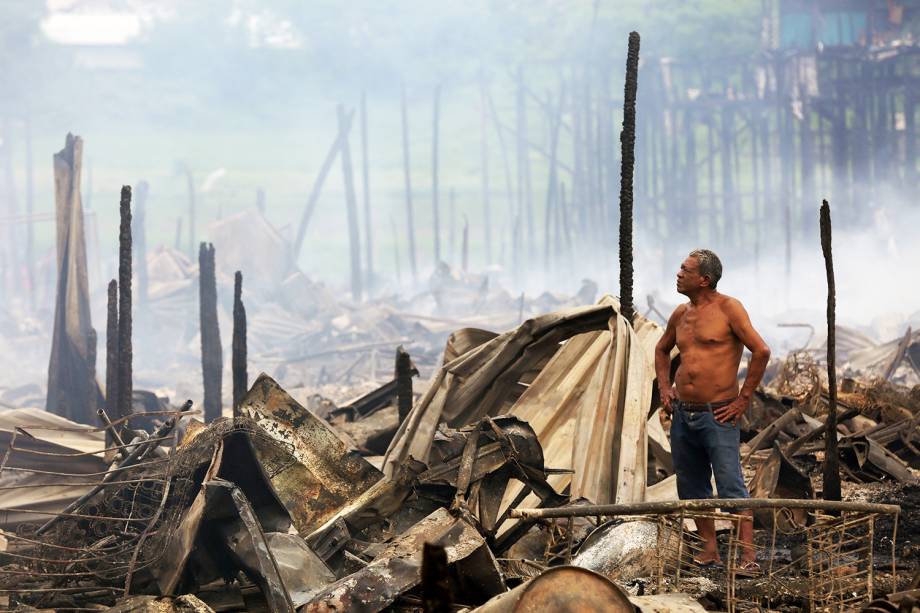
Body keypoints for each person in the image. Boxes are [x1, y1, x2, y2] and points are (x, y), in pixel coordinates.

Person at [654, 249, 771, 573]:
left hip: (718, 413)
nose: (678, 273)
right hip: (683, 413)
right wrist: (665, 388)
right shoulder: (681, 314)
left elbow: (761, 351)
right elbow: (662, 350)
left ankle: (748, 558)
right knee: (691, 485)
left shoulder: (729, 308)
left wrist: (743, 399)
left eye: (685, 269)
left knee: (730, 483)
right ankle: (710, 551)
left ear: (704, 279)